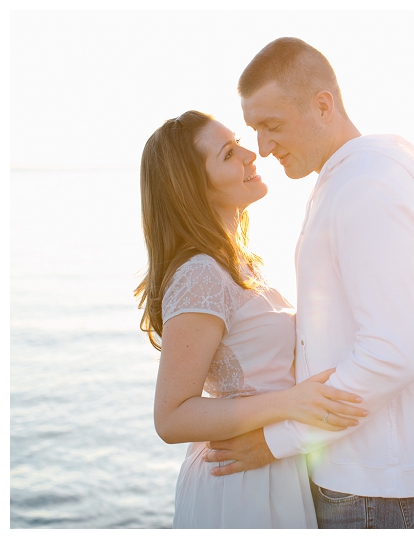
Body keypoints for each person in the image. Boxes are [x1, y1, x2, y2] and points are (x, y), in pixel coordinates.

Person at [204, 37, 414, 529]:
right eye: (255, 129)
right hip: (360, 473)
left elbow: (392, 351)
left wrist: (277, 439)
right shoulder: (346, 179)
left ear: (323, 106)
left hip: (367, 484)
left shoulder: (366, 187)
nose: (262, 147)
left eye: (272, 126)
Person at [135, 110, 367, 528]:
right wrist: (291, 403)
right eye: (228, 153)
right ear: (194, 187)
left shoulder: (239, 263)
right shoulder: (200, 275)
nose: (250, 153)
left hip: (271, 468)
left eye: (239, 141)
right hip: (238, 489)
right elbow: (170, 418)